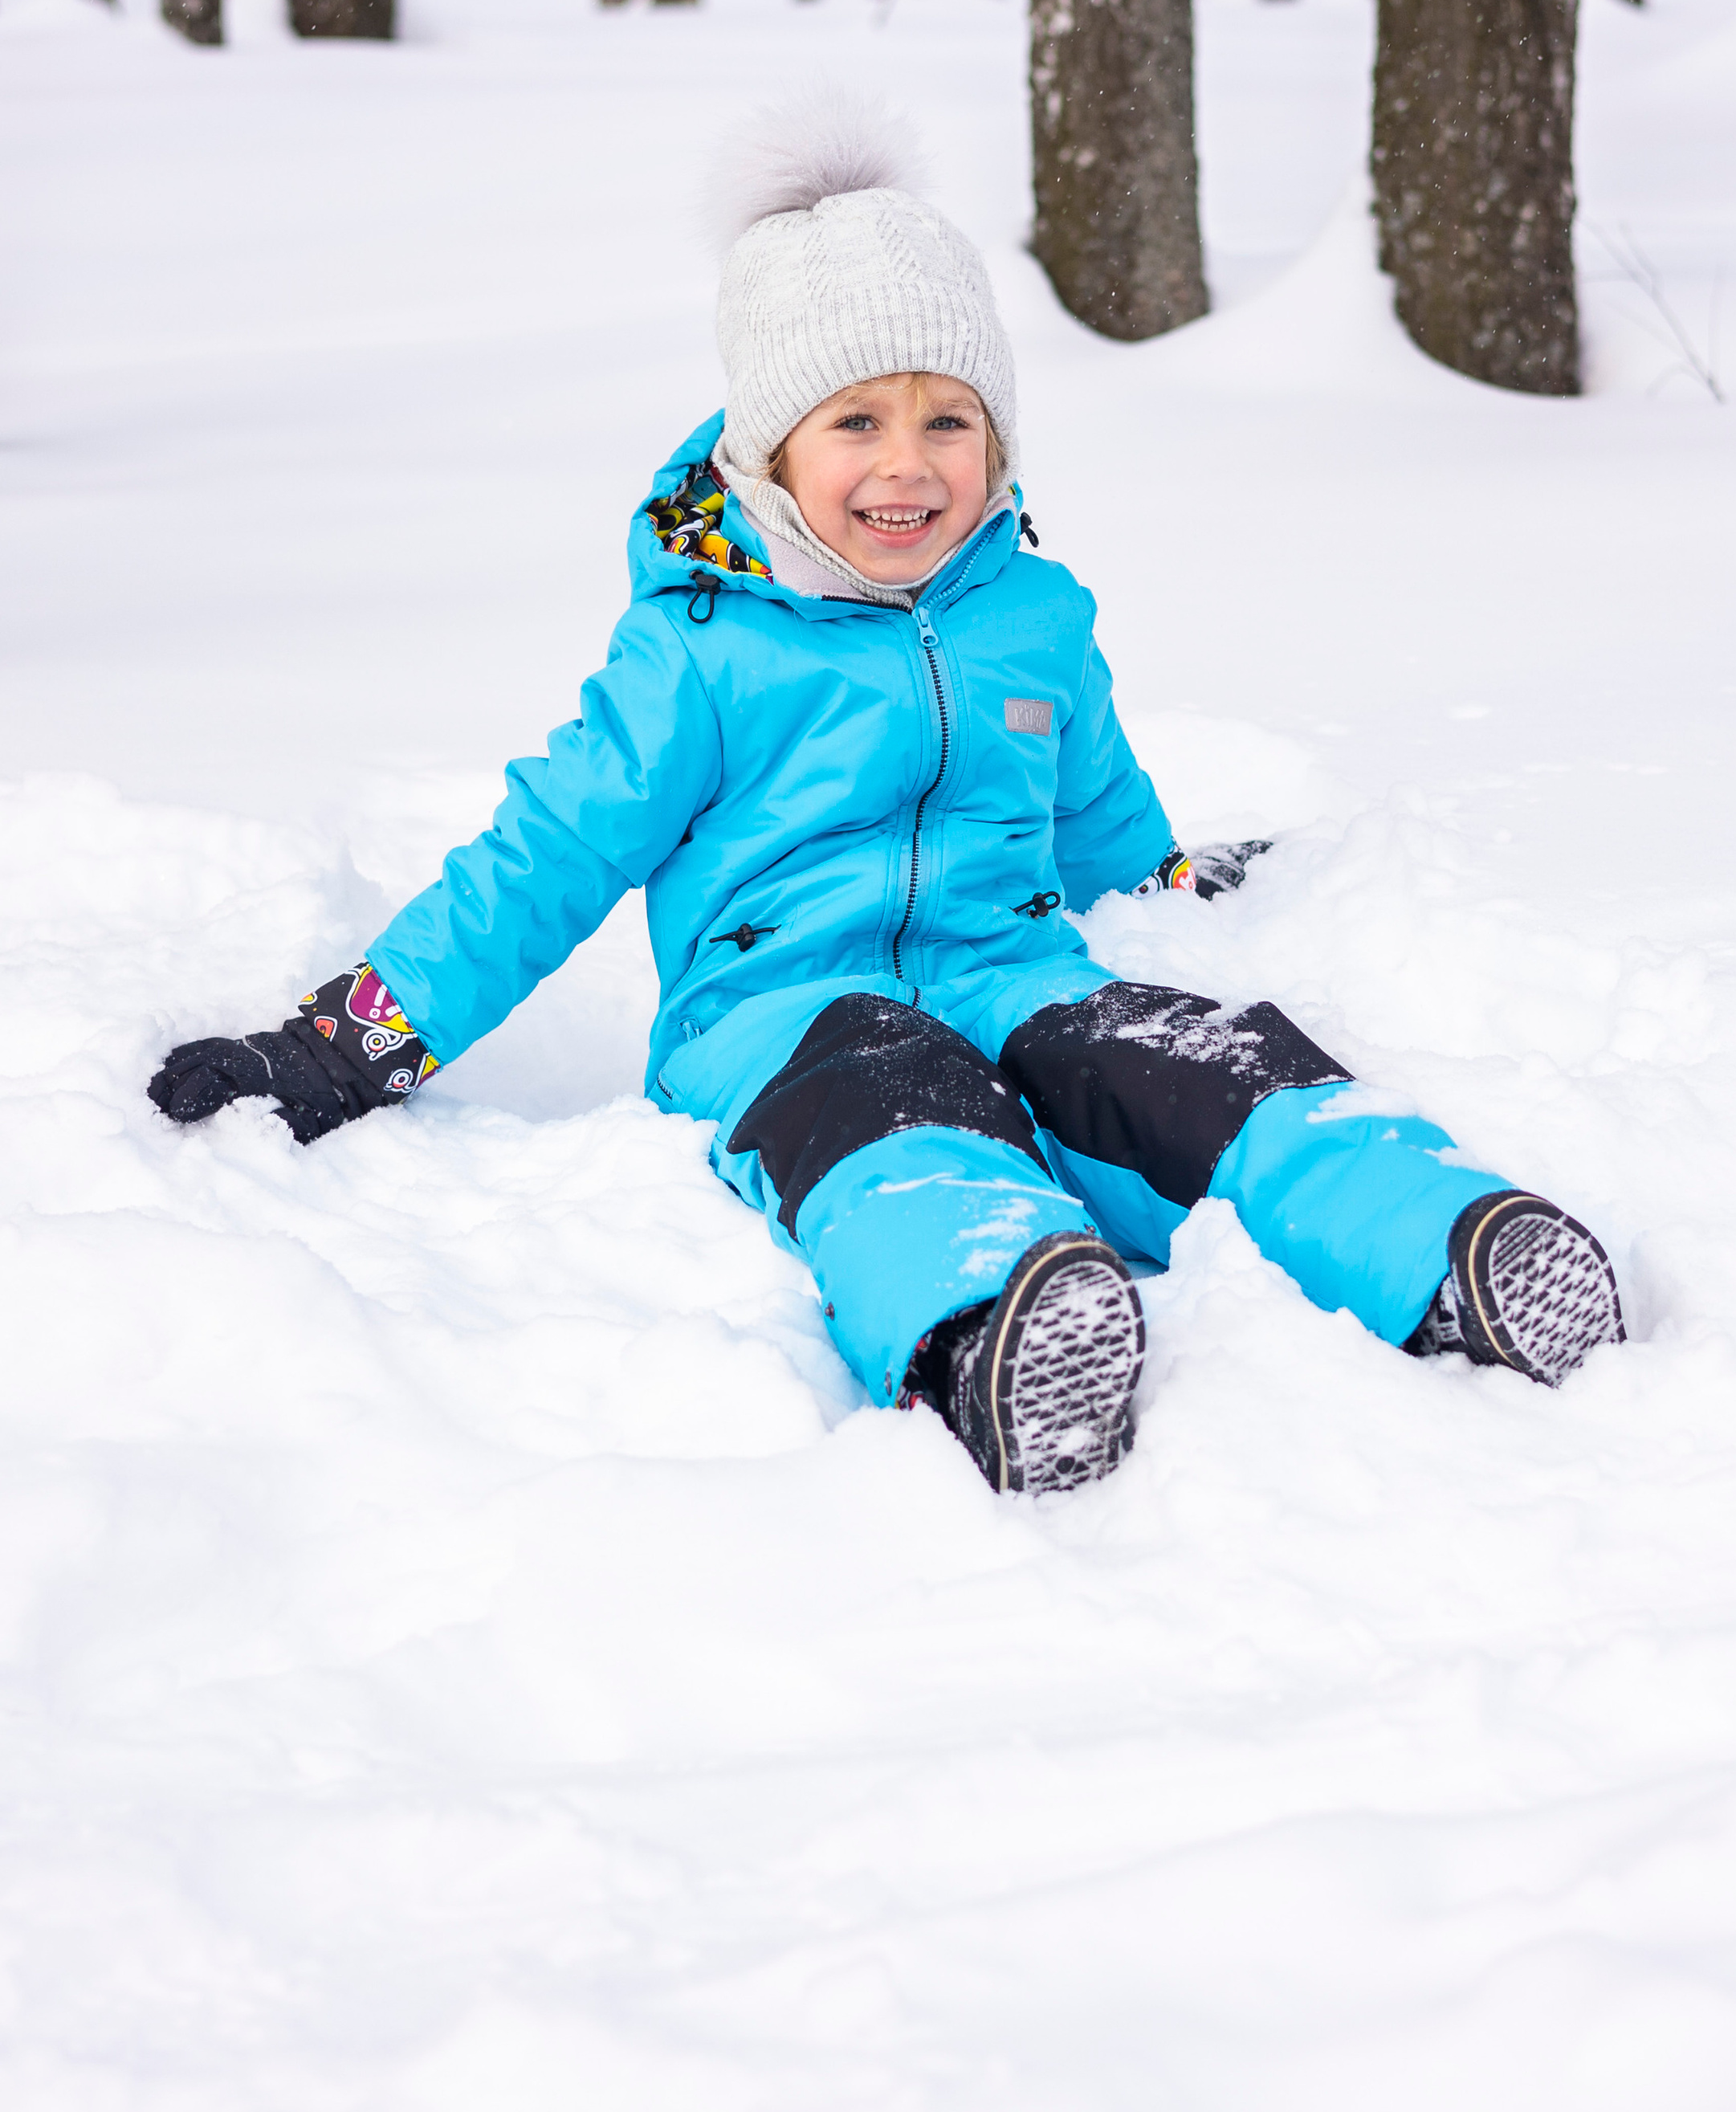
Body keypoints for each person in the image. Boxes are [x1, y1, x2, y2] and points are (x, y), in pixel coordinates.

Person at [149, 129, 1624, 1494]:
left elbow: (1100, 817)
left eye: (948, 419)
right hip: (780, 1016)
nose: (908, 464)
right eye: (855, 419)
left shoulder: (1031, 616)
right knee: (898, 1115)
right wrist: (348, 1043)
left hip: (1014, 971)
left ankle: (1442, 1247)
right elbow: (541, 862)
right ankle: (990, 1330)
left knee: (1185, 1065)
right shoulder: (699, 652)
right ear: (770, 449)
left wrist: (1172, 891)